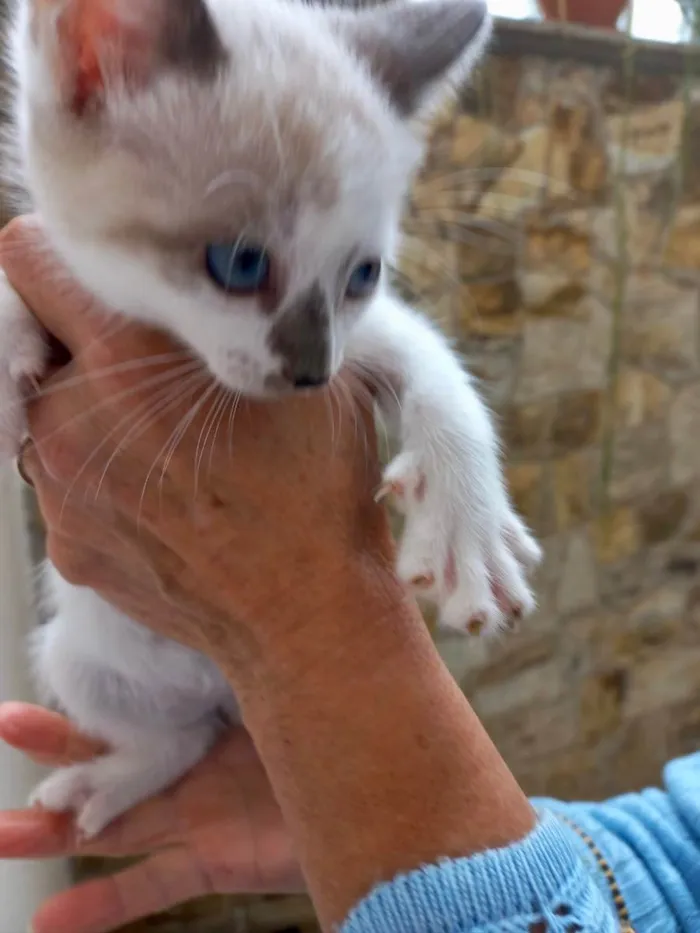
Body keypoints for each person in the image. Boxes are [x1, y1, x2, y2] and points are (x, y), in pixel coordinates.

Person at [0, 216, 698, 933]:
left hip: (252, 668)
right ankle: (159, 748)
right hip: (148, 678)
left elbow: (407, 354)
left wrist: (312, 616)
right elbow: (687, 840)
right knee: (70, 670)